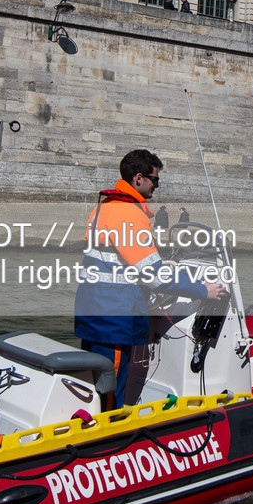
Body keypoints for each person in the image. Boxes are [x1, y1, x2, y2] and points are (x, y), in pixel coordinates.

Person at [74, 149, 225, 408]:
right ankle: (110, 440)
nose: (157, 186)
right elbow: (153, 275)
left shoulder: (106, 206)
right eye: (155, 180)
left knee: (94, 382)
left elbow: (115, 260)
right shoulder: (129, 214)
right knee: (111, 389)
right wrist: (203, 290)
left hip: (92, 307)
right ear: (139, 178)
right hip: (114, 315)